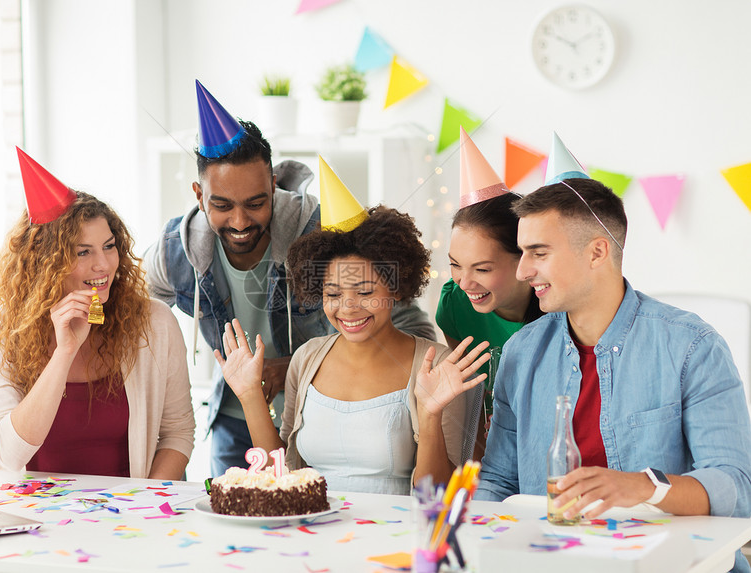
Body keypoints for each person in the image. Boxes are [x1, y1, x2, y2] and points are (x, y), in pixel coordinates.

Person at [143, 82, 435, 477]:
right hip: (234, 417)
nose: (241, 222)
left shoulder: (321, 231)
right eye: (222, 205)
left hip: (321, 421)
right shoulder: (174, 251)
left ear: (273, 188)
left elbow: (405, 319)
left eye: (256, 203)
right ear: (199, 195)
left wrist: (303, 364)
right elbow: (133, 316)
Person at [474, 177, 751, 572]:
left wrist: (647, 487)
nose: (522, 271)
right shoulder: (522, 352)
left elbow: (737, 488)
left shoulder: (692, 346)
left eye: (538, 253)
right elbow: (499, 482)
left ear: (597, 252)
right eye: (522, 253)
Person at [215, 202, 490, 494]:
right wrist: (249, 396)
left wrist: (430, 415)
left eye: (365, 292)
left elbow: (439, 494)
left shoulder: (435, 365)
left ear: (395, 287)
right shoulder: (307, 358)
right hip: (314, 530)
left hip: (396, 534)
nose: (348, 308)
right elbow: (282, 475)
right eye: (333, 293)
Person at [0, 149, 194, 479]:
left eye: (108, 246)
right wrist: (64, 352)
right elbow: (9, 452)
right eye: (83, 252)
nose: (103, 264)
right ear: (44, 262)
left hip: (130, 522)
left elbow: (178, 433)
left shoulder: (154, 322)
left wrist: (144, 506)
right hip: (32, 521)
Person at [435, 129, 544, 459]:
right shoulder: (455, 305)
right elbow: (473, 396)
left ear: (524, 259)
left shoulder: (559, 312)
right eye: (455, 265)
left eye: (482, 269)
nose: (465, 282)